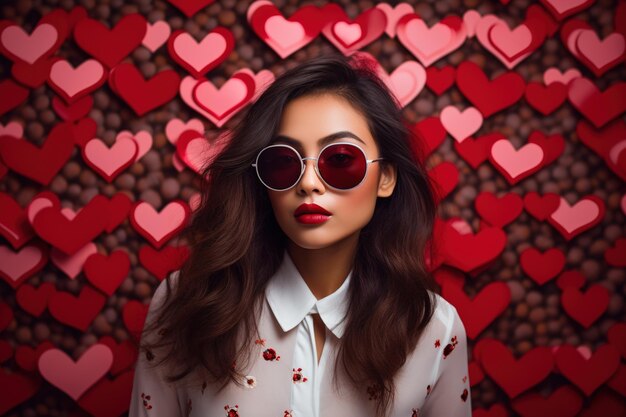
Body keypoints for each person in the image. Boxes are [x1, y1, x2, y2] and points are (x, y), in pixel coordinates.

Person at [129, 52, 472, 417]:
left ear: (385, 177)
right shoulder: (189, 303)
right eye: (283, 162)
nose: (308, 184)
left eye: (339, 159)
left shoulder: (433, 328)